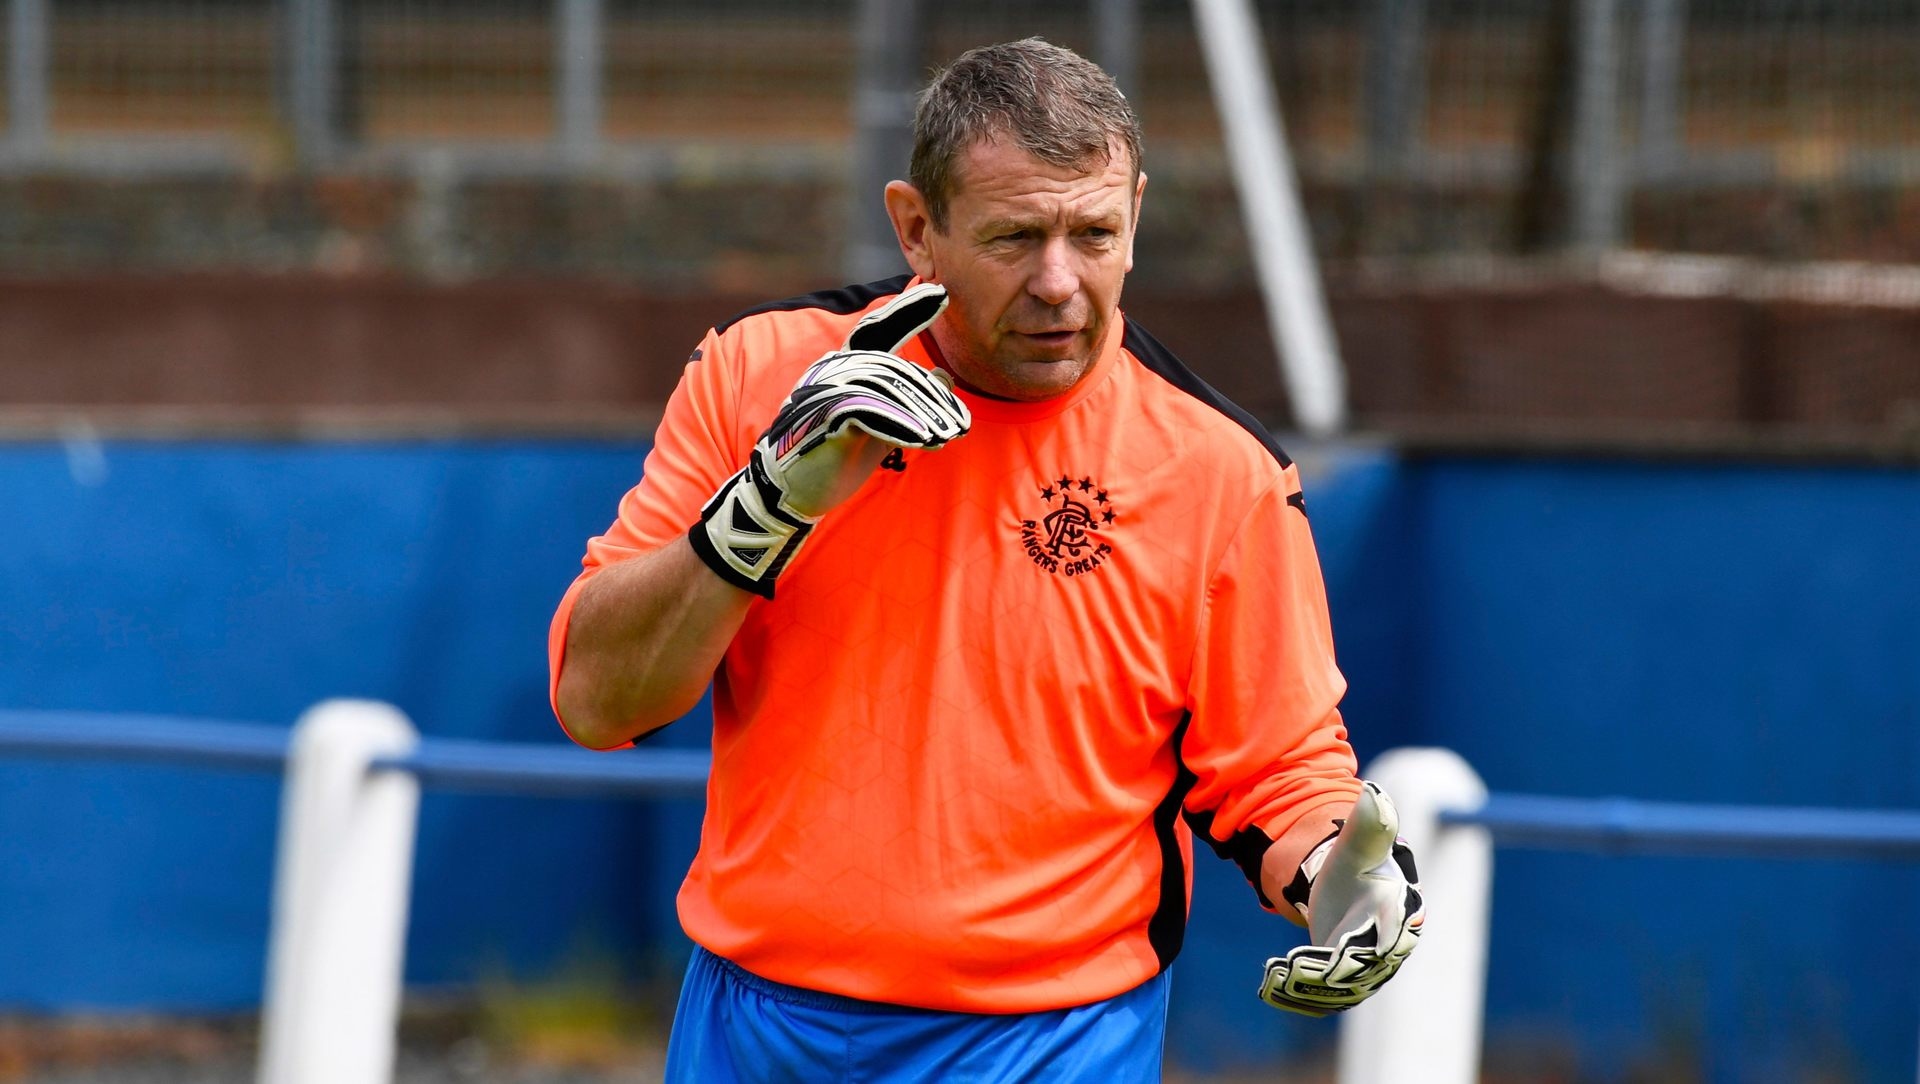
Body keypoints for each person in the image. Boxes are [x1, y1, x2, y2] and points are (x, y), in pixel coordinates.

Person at [549, 37, 1422, 1083]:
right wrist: (769, 503)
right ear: (917, 228)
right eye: (1016, 237)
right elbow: (597, 700)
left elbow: (1282, 768)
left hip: (1048, 1039)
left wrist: (1344, 878)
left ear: (1136, 217)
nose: (1061, 282)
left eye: (1093, 234)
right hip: (757, 1023)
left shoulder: (1218, 472)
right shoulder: (761, 374)